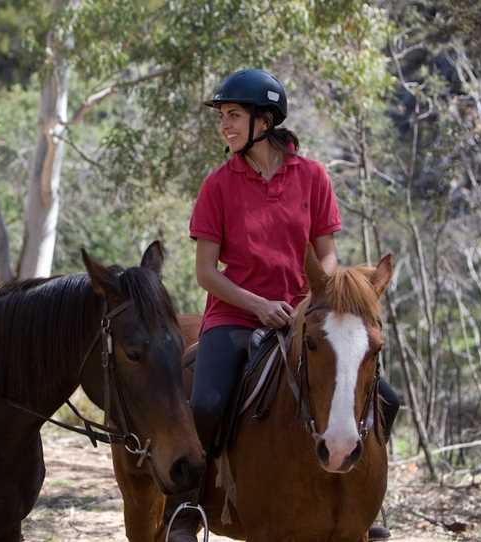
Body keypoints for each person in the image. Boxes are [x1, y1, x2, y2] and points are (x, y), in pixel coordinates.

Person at [164, 68, 400, 542]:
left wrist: (319, 297)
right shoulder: (218, 185)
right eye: (222, 116)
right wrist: (258, 303)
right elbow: (206, 273)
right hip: (234, 314)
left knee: (387, 399)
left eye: (234, 115)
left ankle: (368, 504)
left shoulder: (312, 177)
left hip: (305, 310)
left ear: (265, 121)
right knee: (207, 401)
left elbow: (327, 253)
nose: (224, 125)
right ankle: (185, 506)